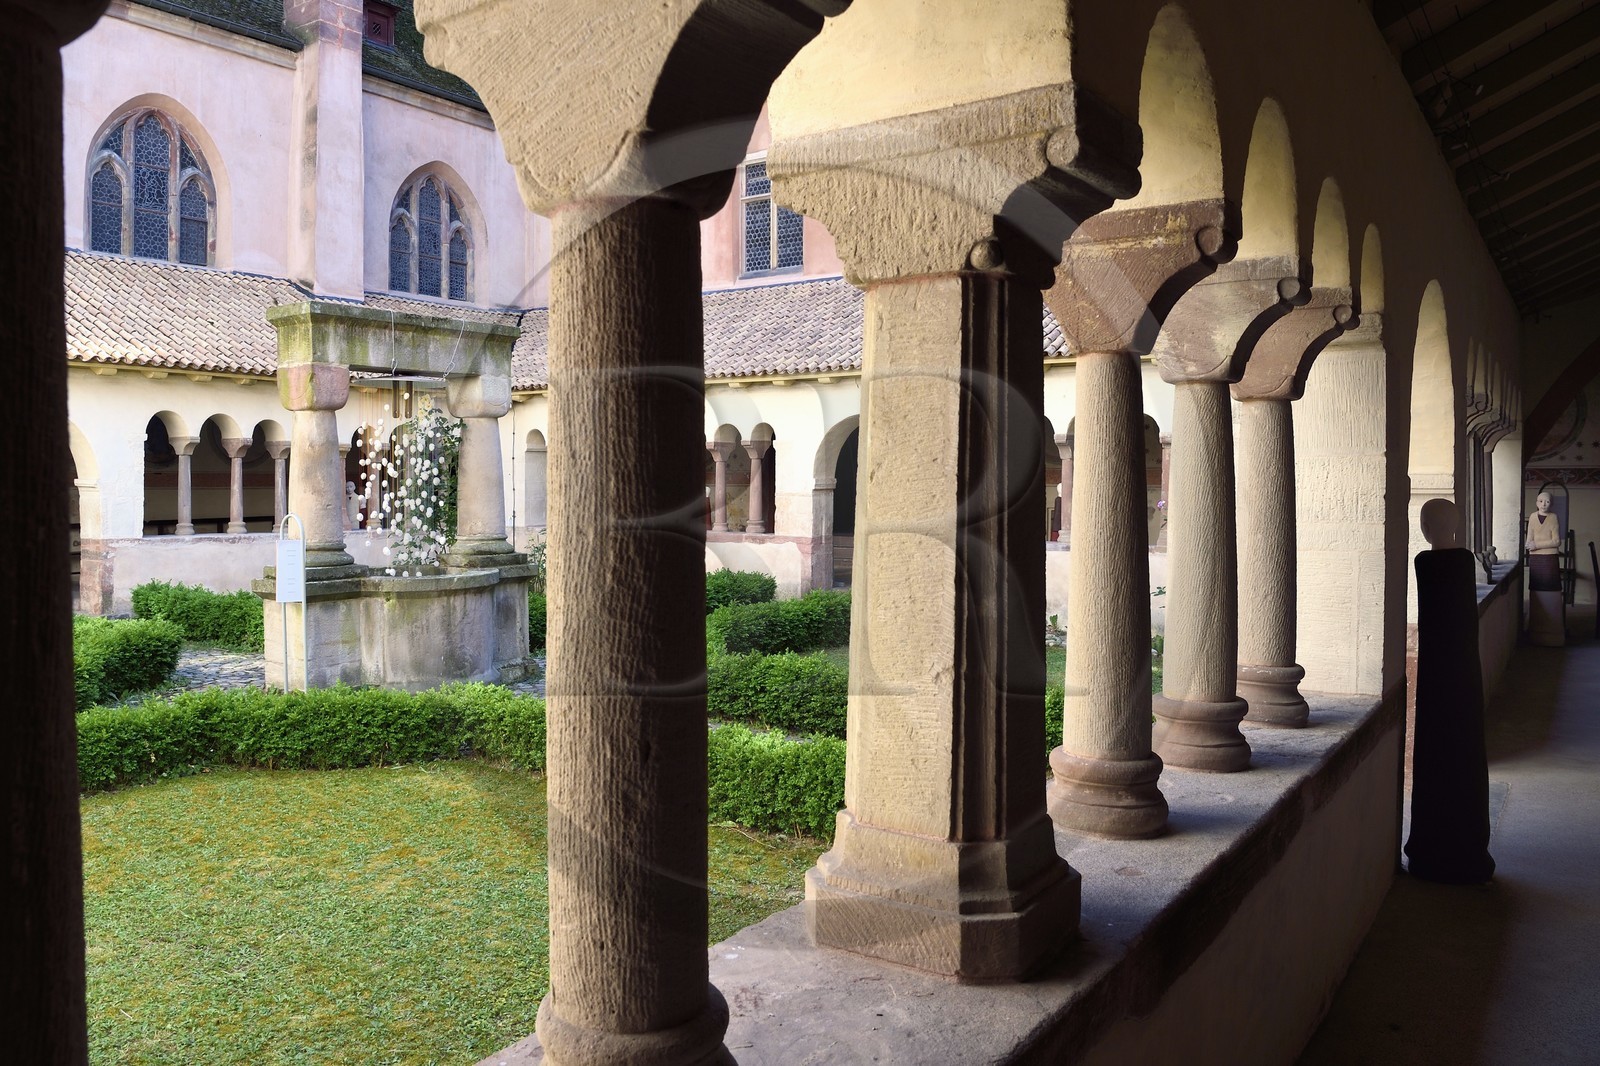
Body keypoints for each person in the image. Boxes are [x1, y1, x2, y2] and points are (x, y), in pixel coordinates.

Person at [1525, 491, 1561, 592]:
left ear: (1551, 504)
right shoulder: (1532, 516)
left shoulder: (1553, 517)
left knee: (1551, 587)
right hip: (1535, 557)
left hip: (1549, 557)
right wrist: (1528, 546)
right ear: (1536, 503)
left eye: (1547, 502)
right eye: (1541, 501)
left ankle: (1552, 607)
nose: (1543, 504)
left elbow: (1557, 541)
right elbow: (1529, 537)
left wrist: (1536, 545)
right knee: (1536, 587)